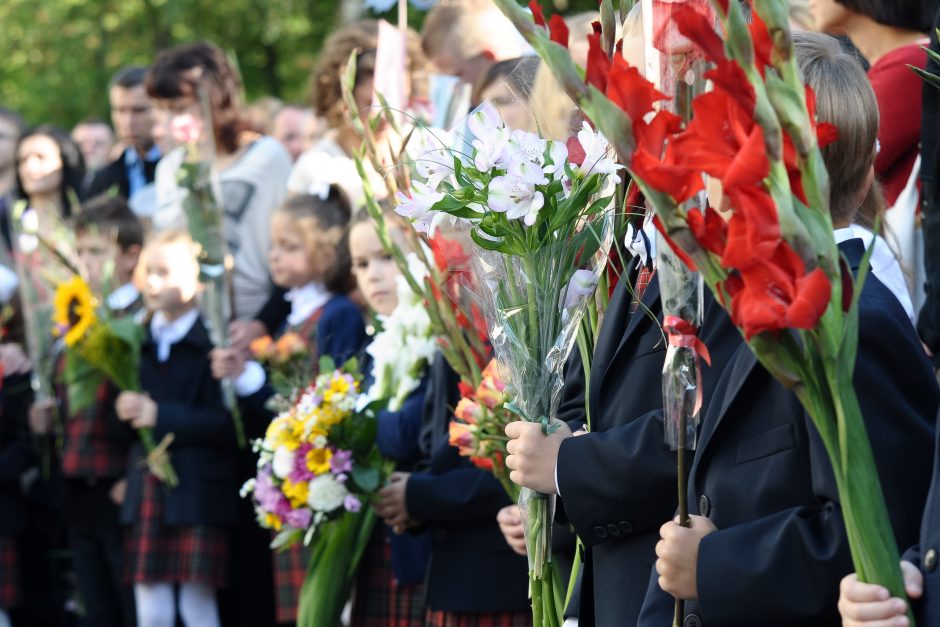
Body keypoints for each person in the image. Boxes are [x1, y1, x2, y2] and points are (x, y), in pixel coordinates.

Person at [638, 31, 939, 627]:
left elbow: (874, 540)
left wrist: (717, 565)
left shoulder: (860, 325)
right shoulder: (764, 303)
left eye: (719, 146)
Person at [211, 189, 366, 625]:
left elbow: (331, 396)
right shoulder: (290, 316)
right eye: (273, 246)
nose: (275, 257)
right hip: (296, 477)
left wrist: (249, 378)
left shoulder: (336, 314)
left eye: (290, 246)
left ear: (324, 251)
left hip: (326, 477)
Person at [27, 196, 143, 627]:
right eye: (81, 251)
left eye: (97, 251)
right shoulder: (75, 317)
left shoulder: (140, 317)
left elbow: (145, 397)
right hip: (78, 482)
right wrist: (45, 418)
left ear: (131, 256)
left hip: (119, 484)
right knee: (95, 608)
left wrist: (132, 475)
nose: (86, 261)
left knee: (131, 603)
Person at [117, 230, 239, 627]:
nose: (152, 282)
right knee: (151, 611)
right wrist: (123, 407)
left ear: (198, 280)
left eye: (165, 272)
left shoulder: (213, 342)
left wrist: (160, 416)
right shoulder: (137, 340)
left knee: (197, 607)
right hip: (149, 484)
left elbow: (225, 425)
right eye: (148, 271)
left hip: (197, 487)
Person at [147, 42, 292, 321]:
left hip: (253, 320)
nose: (169, 122)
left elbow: (285, 248)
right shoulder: (169, 168)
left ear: (214, 100)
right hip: (188, 323)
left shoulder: (266, 158)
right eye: (162, 110)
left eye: (179, 108)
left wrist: (262, 324)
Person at [348, 208, 431, 627]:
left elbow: (405, 433)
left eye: (386, 258)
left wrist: (347, 427)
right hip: (380, 536)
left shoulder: (435, 338)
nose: (374, 275)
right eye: (361, 264)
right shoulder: (373, 344)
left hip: (424, 538)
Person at [287, 20, 428, 209]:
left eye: (395, 100)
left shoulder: (424, 148)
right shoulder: (316, 169)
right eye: (370, 103)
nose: (384, 115)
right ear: (342, 100)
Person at [87, 67, 160, 204]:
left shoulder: (183, 168)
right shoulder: (103, 180)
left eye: (139, 110)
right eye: (120, 111)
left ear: (160, 108)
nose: (128, 122)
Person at [14, 125, 85, 216]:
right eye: (23, 160)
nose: (30, 167)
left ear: (65, 161)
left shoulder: (89, 223)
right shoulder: (7, 223)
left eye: (41, 157)